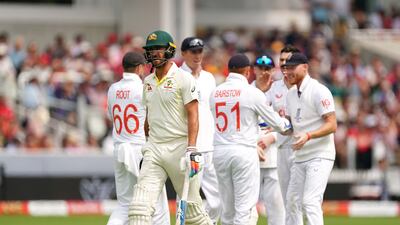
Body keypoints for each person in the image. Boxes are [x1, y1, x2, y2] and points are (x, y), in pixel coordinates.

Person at [128, 30, 213, 225]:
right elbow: (148, 116)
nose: (154, 53)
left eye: (158, 49)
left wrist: (192, 148)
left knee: (193, 215)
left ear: (169, 51)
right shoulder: (147, 82)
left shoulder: (184, 79)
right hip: (155, 149)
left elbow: (193, 114)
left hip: (180, 150)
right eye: (151, 50)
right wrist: (148, 145)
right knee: (138, 210)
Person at [209, 53, 292, 225]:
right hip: (244, 152)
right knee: (244, 210)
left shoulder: (215, 93)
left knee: (227, 210)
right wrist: (287, 126)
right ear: (248, 71)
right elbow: (276, 123)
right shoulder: (251, 93)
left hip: (219, 152)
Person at [106, 52, 170, 225]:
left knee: (124, 205)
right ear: (140, 67)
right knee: (157, 202)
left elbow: (111, 116)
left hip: (119, 149)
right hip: (140, 150)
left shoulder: (113, 89)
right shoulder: (144, 88)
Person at [282, 52, 336, 225]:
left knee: (310, 201)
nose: (288, 72)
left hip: (320, 154)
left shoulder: (319, 91)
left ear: (305, 67)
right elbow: (292, 125)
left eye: (292, 68)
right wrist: (275, 126)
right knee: (291, 201)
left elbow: (332, 124)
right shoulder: (290, 94)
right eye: (286, 68)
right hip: (300, 156)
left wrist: (308, 135)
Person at [257, 46, 301, 225]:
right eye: (281, 61)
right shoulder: (273, 88)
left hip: (301, 149)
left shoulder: (306, 87)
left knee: (300, 201)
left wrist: (272, 136)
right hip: (279, 151)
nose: (284, 64)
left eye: (287, 61)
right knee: (283, 202)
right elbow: (263, 119)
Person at [180, 37, 221, 224]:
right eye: (193, 51)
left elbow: (212, 111)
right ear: (183, 54)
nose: (197, 55)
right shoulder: (177, 77)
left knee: (217, 201)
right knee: (188, 200)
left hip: (210, 146)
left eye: (200, 51)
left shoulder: (209, 78)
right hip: (189, 148)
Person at [251, 53, 285, 225]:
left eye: (268, 69)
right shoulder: (247, 91)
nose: (264, 72)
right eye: (261, 68)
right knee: (247, 206)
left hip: (274, 157)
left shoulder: (280, 91)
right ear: (254, 69)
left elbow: (290, 124)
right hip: (251, 155)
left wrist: (272, 137)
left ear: (273, 70)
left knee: (277, 208)